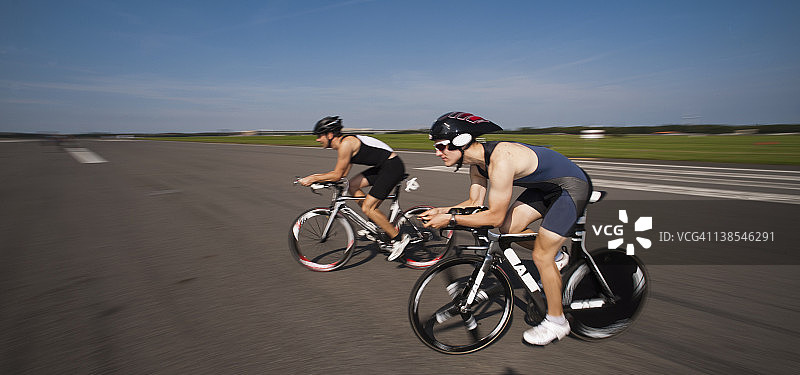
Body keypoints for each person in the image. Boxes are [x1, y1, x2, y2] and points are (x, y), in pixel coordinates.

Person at [419, 111, 592, 346]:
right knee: (509, 230)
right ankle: (559, 257)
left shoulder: (501, 160)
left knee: (541, 255)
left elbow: (494, 216)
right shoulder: (477, 164)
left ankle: (557, 321)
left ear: (461, 142)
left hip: (570, 187)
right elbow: (474, 204)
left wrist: (451, 220)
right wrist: (441, 211)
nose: (437, 153)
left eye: (441, 147)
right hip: (544, 188)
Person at [298, 116, 411, 261]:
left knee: (368, 207)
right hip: (383, 167)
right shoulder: (344, 145)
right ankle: (373, 222)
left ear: (330, 134)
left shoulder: (346, 144)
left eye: (320, 136)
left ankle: (398, 240)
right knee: (352, 185)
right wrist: (324, 180)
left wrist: (313, 177)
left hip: (392, 167)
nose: (318, 139)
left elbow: (337, 174)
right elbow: (343, 175)